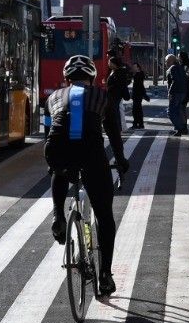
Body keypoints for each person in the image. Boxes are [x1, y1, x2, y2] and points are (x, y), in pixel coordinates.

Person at [44, 54, 129, 297]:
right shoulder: (102, 97)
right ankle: (105, 276)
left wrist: (55, 164)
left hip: (57, 148)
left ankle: (58, 217)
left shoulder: (53, 98)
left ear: (66, 78)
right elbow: (113, 135)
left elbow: (49, 131)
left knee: (57, 168)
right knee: (104, 215)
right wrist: (121, 162)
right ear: (92, 77)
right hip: (90, 151)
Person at [166, 53, 189, 137]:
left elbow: (175, 80)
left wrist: (170, 92)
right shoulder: (181, 67)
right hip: (182, 92)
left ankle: (180, 128)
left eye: (166, 61)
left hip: (176, 93)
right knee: (178, 111)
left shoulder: (173, 68)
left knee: (171, 112)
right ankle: (180, 129)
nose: (165, 63)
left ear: (171, 61)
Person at [129, 63, 147, 129]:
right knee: (136, 110)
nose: (133, 68)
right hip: (136, 94)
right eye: (133, 67)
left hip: (138, 94)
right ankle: (138, 123)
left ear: (138, 68)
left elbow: (139, 85)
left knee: (136, 110)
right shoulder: (137, 74)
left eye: (134, 67)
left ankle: (138, 124)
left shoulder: (139, 74)